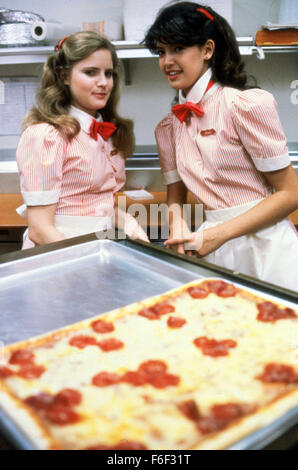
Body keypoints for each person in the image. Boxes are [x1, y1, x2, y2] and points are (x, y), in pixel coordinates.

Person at [144, 1, 298, 290]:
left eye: (178, 48)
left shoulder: (244, 106)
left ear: (207, 50)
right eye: (161, 52)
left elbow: (291, 194)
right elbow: (175, 198)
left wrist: (219, 234)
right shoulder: (167, 129)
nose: (167, 61)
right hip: (211, 246)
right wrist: (179, 230)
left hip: (266, 247)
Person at [16, 31, 148, 248]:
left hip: (98, 246)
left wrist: (130, 224)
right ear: (64, 76)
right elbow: (40, 230)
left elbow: (99, 204)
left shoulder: (107, 133)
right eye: (90, 72)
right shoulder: (45, 136)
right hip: (60, 252)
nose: (104, 82)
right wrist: (83, 263)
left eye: (108, 73)